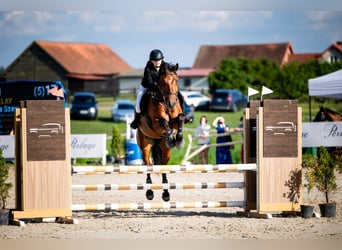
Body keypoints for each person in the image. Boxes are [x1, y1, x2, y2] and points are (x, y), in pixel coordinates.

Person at [130, 49, 187, 129]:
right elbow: (149, 82)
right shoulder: (148, 68)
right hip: (148, 86)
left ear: (161, 59)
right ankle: (136, 120)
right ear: (151, 61)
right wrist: (155, 88)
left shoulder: (166, 65)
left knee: (179, 96)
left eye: (158, 60)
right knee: (139, 102)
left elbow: (172, 72)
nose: (156, 62)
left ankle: (184, 115)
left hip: (163, 87)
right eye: (154, 60)